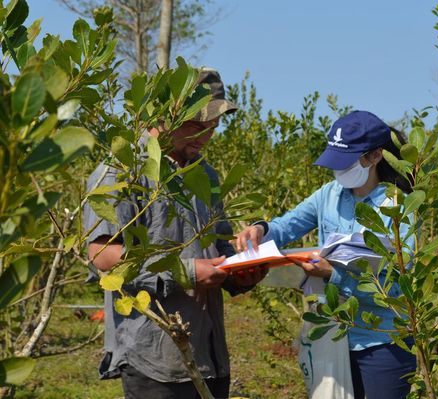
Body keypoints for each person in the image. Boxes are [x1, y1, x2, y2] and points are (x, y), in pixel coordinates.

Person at [84, 68, 267, 399]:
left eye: (213, 126)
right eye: (196, 125)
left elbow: (217, 247)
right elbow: (103, 254)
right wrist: (185, 272)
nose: (206, 135)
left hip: (208, 352)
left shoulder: (205, 174)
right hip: (154, 355)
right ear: (165, 116)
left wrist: (241, 273)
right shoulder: (122, 170)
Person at [234, 110, 417, 399]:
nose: (338, 171)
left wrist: (334, 274)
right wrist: (260, 229)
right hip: (333, 334)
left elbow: (398, 287)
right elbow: (285, 226)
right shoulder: (328, 195)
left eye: (346, 162)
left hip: (382, 342)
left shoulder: (395, 208)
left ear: (375, 156)